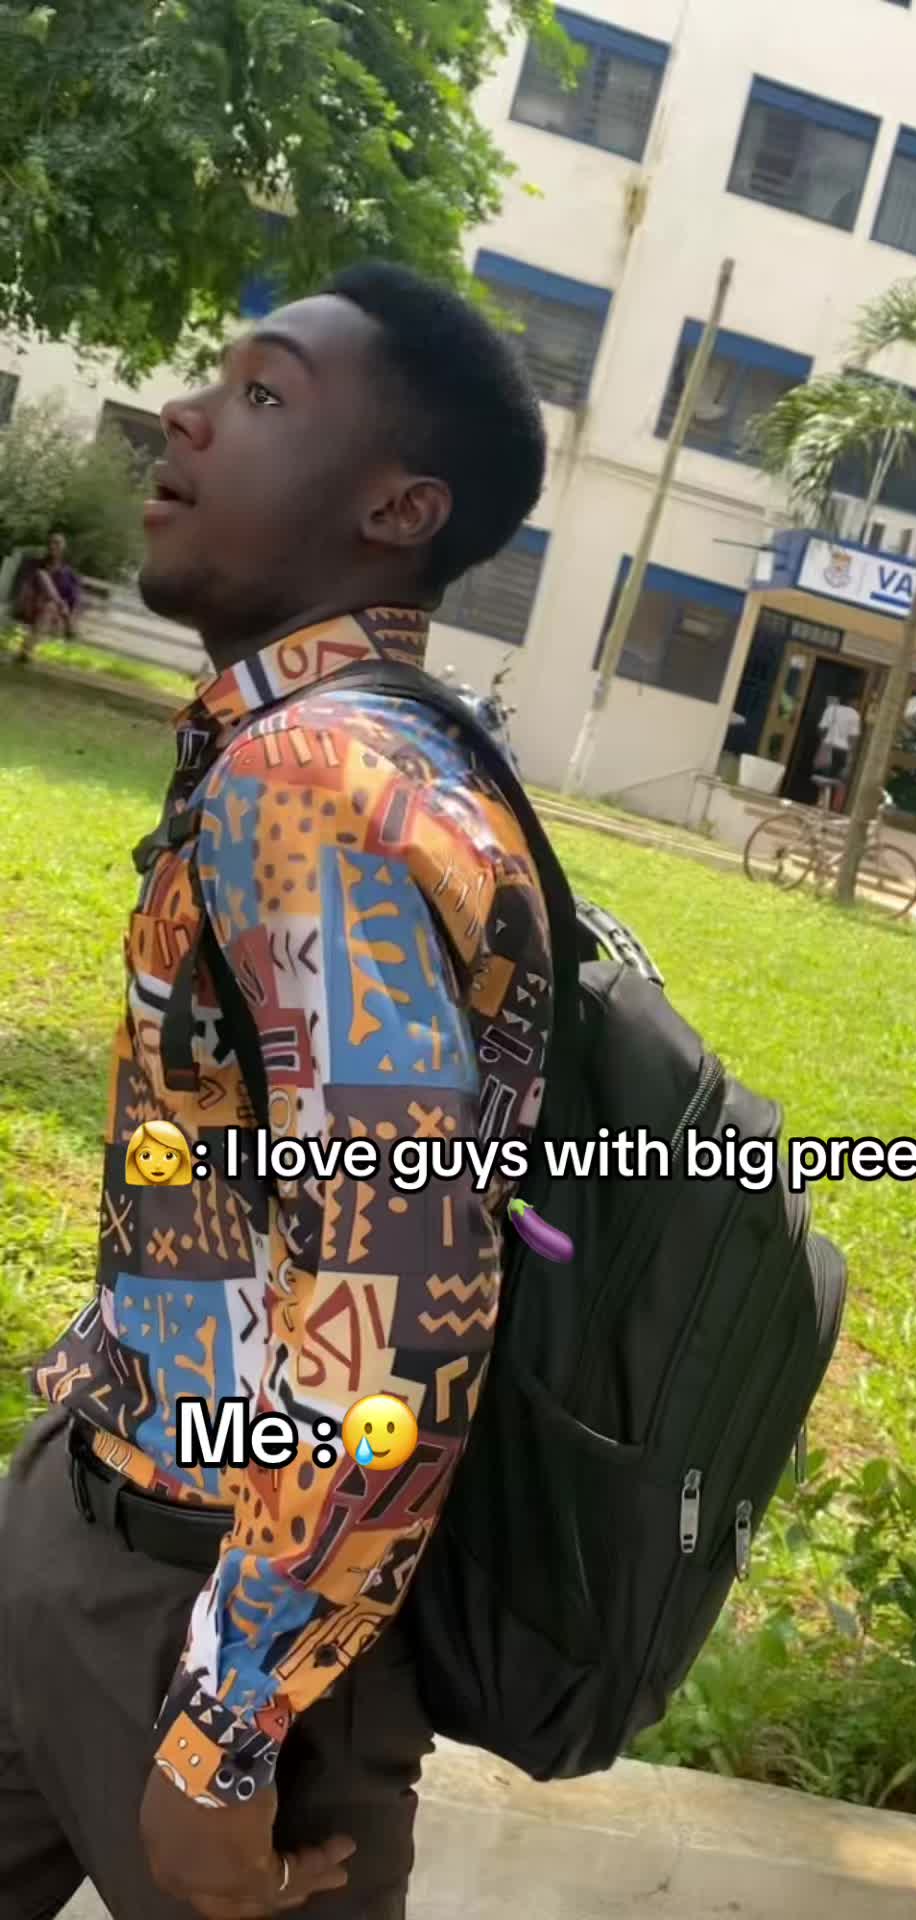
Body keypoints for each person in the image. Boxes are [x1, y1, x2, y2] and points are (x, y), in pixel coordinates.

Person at [0, 262, 551, 1920]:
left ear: (399, 508)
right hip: (85, 1517)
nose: (182, 415)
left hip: (205, 1632)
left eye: (260, 395)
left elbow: (398, 1308)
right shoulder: (341, 744)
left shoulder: (322, 782)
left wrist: (223, 1737)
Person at [10, 530, 80, 662]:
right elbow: (24, 587)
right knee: (42, 575)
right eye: (50, 543)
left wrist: (66, 612)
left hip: (53, 616)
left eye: (57, 543)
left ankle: (25, 652)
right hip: (31, 607)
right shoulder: (36, 564)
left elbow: (74, 599)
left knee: (50, 606)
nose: (53, 546)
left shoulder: (68, 573)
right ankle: (26, 652)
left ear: (63, 547)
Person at [816, 681, 862, 812]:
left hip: (828, 746)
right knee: (837, 778)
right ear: (853, 702)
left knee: (824, 775)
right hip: (842, 749)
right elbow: (853, 737)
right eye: (857, 703)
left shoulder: (831, 710)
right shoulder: (854, 715)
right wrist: (851, 754)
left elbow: (821, 729)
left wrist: (824, 741)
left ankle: (821, 801)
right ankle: (831, 807)